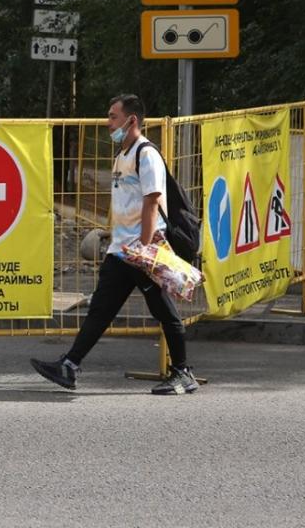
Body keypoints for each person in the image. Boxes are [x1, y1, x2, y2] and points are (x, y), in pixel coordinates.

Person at [31, 94, 199, 395]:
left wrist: (144, 249)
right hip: (121, 251)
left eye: (113, 117)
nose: (108, 123)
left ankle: (183, 373)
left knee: (164, 312)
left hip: (141, 251)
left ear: (131, 120)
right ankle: (69, 365)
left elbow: (152, 201)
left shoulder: (146, 154)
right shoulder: (122, 154)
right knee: (100, 310)